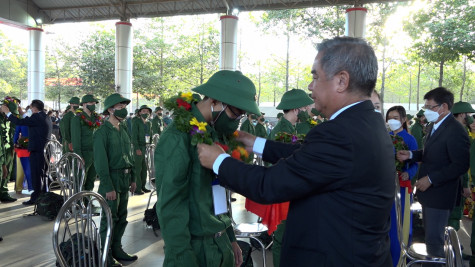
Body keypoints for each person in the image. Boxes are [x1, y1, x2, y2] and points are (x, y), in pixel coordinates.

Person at [197, 37, 395, 266]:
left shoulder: (340, 133)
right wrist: (258, 144)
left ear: (341, 81)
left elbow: (268, 185)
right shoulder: (366, 122)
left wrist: (218, 161)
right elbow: (310, 156)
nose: (310, 86)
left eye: (315, 76)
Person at [155, 70, 261, 267]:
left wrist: (228, 236)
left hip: (219, 243)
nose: (237, 120)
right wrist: (181, 257)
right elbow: (171, 205)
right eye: (236, 113)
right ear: (215, 102)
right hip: (194, 248)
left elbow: (217, 189)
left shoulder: (213, 134)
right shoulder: (178, 136)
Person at [397, 87, 470, 258]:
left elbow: (460, 165)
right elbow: (430, 153)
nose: (426, 111)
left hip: (440, 195)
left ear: (443, 107)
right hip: (429, 194)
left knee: (435, 242)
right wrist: (410, 155)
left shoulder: (455, 130)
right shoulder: (434, 126)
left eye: (430, 107)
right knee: (430, 239)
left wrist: (431, 179)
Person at [94, 93, 137, 267]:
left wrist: (134, 178)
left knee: (122, 217)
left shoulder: (124, 128)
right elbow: (101, 162)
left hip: (125, 178)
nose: (124, 110)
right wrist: (108, 185)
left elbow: (130, 154)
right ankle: (105, 255)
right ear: (110, 110)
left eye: (124, 107)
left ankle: (117, 248)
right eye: (120, 107)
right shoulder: (101, 132)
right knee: (109, 218)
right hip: (111, 178)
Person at [1, 99, 52, 205]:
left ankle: (35, 198)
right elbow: (29, 121)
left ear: (34, 108)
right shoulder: (45, 117)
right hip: (44, 151)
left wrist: (7, 113)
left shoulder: (36, 117)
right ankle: (42, 196)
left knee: (36, 175)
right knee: (42, 174)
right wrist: (22, 114)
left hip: (37, 151)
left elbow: (20, 122)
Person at [386, 105, 418, 266]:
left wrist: (408, 174)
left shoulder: (410, 139)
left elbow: (416, 164)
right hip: (385, 186)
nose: (392, 121)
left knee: (399, 225)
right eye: (389, 118)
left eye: (395, 118)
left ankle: (399, 260)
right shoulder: (384, 136)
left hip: (402, 188)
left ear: (404, 120)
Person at [447, 101, 473, 231]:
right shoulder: (461, 132)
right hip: (458, 181)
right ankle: (453, 248)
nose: (470, 117)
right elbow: (462, 162)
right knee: (454, 216)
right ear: (462, 114)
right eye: (469, 114)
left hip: (449, 180)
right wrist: (465, 184)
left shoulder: (449, 128)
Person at [71, 94, 101, 191]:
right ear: (84, 104)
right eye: (91, 103)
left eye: (94, 103)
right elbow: (76, 139)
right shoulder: (77, 119)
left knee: (91, 179)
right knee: (80, 180)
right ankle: (78, 203)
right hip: (83, 153)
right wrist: (79, 156)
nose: (93, 105)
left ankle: (88, 202)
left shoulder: (96, 119)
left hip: (95, 153)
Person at [0, 97, 19, 203]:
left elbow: (11, 132)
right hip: (0, 152)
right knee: (2, 172)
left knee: (6, 174)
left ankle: (3, 193)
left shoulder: (6, 118)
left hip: (7, 151)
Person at [131, 105, 152, 195]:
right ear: (140, 113)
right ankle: (137, 188)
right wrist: (137, 148)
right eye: (143, 111)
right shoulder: (136, 122)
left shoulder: (149, 123)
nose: (145, 113)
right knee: (138, 168)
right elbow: (134, 136)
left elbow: (150, 135)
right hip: (138, 147)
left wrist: (150, 145)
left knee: (144, 169)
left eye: (147, 111)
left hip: (146, 147)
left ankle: (143, 186)